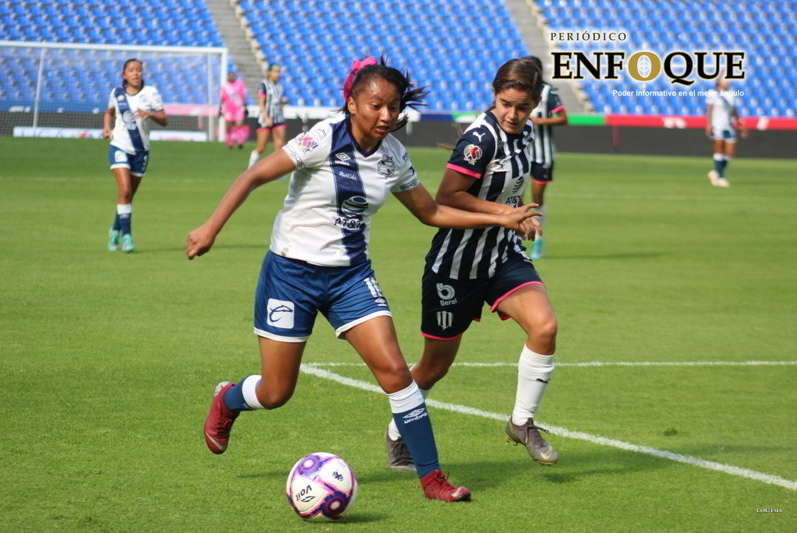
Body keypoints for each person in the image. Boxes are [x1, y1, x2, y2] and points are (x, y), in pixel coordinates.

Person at [186, 57, 540, 503]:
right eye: (376, 106)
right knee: (277, 392)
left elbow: (430, 213)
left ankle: (433, 481)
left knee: (396, 372)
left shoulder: (393, 155)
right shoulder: (324, 137)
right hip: (291, 274)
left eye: (393, 108)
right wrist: (210, 228)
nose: (386, 116)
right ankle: (229, 399)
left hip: (351, 278)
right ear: (352, 103)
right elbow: (254, 174)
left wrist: (502, 217)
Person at [383, 58, 560, 473]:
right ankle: (397, 431)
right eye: (505, 104)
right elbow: (447, 197)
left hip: (501, 256)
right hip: (456, 265)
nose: (513, 114)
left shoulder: (527, 132)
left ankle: (521, 422)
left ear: (535, 103)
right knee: (434, 367)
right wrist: (504, 212)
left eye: (522, 106)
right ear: (494, 96)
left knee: (545, 327)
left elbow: (511, 194)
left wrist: (522, 215)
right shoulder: (480, 139)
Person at [102, 58, 167, 253]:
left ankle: (114, 229)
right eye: (131, 70)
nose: (135, 73)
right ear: (124, 74)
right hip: (119, 145)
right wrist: (107, 129)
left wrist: (151, 114)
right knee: (124, 190)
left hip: (141, 151)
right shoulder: (117, 93)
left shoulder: (151, 93)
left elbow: (164, 119)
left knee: (128, 195)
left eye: (138, 70)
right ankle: (127, 237)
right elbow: (109, 113)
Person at [524, 55, 567, 259]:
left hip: (542, 154)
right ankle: (515, 238)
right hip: (521, 152)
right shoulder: (519, 90)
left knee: (537, 199)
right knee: (515, 197)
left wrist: (539, 121)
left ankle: (538, 239)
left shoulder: (548, 91)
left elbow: (563, 118)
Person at [706, 75, 747, 187]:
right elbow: (709, 111)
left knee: (729, 153)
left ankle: (715, 172)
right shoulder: (713, 94)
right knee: (719, 150)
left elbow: (734, 111)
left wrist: (740, 124)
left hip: (728, 126)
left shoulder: (731, 94)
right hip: (717, 125)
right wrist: (708, 125)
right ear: (719, 81)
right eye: (725, 80)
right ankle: (721, 177)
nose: (727, 82)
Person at [249, 63, 288, 168]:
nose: (277, 74)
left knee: (280, 146)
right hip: (265, 119)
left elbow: (280, 101)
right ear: (270, 72)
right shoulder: (263, 85)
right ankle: (250, 168)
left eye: (279, 71)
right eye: (275, 71)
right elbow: (261, 103)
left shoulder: (280, 86)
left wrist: (284, 102)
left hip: (278, 118)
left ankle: (278, 169)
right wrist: (266, 117)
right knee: (261, 147)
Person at [220, 71, 247, 150]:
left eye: (233, 76)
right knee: (229, 126)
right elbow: (222, 98)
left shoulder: (240, 84)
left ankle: (239, 141)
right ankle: (230, 142)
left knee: (239, 125)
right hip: (229, 109)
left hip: (238, 108)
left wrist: (245, 106)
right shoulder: (225, 86)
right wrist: (221, 108)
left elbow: (243, 96)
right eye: (230, 76)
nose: (231, 77)